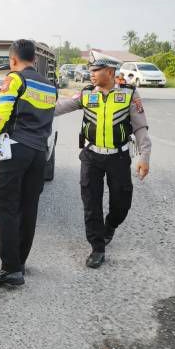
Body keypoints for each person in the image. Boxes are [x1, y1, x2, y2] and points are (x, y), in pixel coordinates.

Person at [0, 39, 58, 287]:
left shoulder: (15, 79)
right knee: (28, 207)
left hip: (16, 150)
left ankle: (10, 269)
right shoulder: (49, 85)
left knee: (6, 207)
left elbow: (2, 115)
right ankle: (19, 263)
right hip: (39, 152)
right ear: (35, 59)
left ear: (13, 60)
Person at [54, 57, 151, 268]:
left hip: (118, 157)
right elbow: (60, 107)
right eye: (90, 70)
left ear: (109, 72)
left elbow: (140, 127)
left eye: (95, 70)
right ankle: (97, 248)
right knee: (91, 203)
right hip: (91, 157)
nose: (91, 73)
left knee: (121, 202)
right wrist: (35, 108)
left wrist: (144, 157)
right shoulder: (87, 94)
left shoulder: (129, 94)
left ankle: (111, 225)